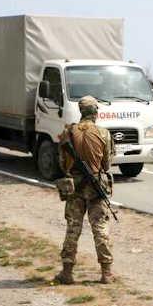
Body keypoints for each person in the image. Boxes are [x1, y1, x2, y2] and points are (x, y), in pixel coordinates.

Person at [54, 95, 115, 284]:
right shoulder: (104, 133)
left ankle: (67, 272)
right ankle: (106, 273)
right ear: (96, 112)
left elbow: (63, 163)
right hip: (97, 188)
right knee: (100, 228)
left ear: (81, 112)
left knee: (73, 228)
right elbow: (107, 163)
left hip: (75, 188)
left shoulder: (68, 132)